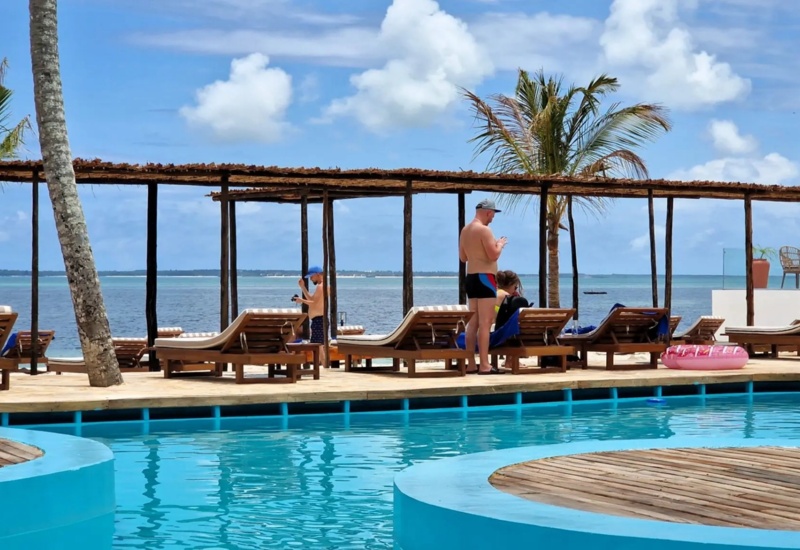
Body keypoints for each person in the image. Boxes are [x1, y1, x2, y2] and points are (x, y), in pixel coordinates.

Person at [459, 198, 507, 374]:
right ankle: (485, 365)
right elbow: (493, 255)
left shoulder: (465, 230)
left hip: (471, 278)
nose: (493, 218)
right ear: (488, 212)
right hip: (486, 278)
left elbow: (463, 258)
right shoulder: (484, 230)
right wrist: (499, 245)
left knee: (473, 324)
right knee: (485, 323)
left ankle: (471, 363)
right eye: (493, 214)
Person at [294, 266, 328, 362]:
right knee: (319, 346)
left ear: (317, 274)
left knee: (318, 347)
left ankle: (323, 366)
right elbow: (311, 299)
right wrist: (303, 287)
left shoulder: (321, 287)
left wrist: (301, 300)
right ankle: (323, 366)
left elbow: (313, 302)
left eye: (311, 276)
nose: (311, 278)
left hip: (319, 320)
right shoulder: (321, 286)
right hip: (317, 320)